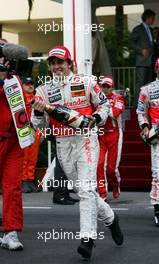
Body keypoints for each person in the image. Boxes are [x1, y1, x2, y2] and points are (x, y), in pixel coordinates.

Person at [31, 45, 124, 259]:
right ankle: (111, 219)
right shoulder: (43, 91)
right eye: (53, 63)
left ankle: (87, 239)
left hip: (87, 139)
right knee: (85, 190)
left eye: (60, 62)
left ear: (70, 63)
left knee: (85, 190)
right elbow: (38, 125)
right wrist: (37, 113)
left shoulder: (87, 81)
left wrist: (97, 119)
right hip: (63, 144)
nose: (57, 67)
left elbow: (104, 106)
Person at [0, 42, 32, 250]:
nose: (7, 61)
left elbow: (23, 106)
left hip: (14, 140)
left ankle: (11, 232)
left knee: (13, 188)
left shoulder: (16, 79)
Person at [137, 57, 159, 227]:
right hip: (157, 136)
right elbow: (140, 112)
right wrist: (145, 126)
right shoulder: (147, 90)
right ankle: (158, 209)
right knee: (157, 174)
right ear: (156, 70)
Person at [97, 77, 125, 200]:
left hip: (115, 134)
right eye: (103, 86)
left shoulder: (118, 98)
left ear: (112, 88)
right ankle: (102, 194)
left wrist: (104, 105)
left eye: (107, 86)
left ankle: (115, 182)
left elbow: (114, 113)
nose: (105, 89)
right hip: (101, 134)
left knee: (111, 169)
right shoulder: (97, 97)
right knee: (100, 165)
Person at [130, 9, 156, 104]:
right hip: (142, 62)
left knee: (149, 85)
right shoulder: (138, 29)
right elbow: (131, 42)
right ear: (147, 18)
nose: (153, 20)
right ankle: (137, 105)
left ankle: (147, 104)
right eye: (152, 18)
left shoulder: (151, 30)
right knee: (140, 84)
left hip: (151, 61)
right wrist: (141, 50)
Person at [22, 77, 42, 193]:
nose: (30, 86)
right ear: (23, 86)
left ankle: (30, 180)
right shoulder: (21, 98)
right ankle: (24, 180)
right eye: (27, 84)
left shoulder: (37, 99)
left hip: (36, 131)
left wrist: (42, 132)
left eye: (31, 84)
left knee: (33, 158)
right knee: (25, 157)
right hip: (24, 131)